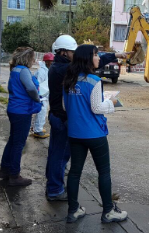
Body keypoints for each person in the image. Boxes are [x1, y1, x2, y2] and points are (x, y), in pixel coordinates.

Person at [45, 35, 130, 201]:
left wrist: (116, 55)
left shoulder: (58, 66)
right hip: (63, 119)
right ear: (63, 52)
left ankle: (53, 187)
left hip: (58, 116)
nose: (75, 55)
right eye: (72, 52)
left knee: (57, 154)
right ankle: (55, 190)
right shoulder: (64, 70)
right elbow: (85, 64)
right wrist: (111, 103)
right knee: (60, 156)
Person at [62, 44, 128, 224]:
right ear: (88, 58)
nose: (99, 58)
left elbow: (64, 107)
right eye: (96, 55)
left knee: (74, 173)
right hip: (94, 134)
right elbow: (97, 108)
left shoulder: (69, 79)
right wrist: (112, 102)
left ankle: (73, 210)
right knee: (104, 172)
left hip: (75, 134)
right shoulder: (93, 80)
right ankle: (108, 211)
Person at [0, 47, 42, 187]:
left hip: (14, 109)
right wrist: (37, 99)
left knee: (12, 141)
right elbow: (30, 88)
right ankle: (14, 175)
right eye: (32, 58)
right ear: (27, 58)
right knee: (18, 144)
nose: (34, 60)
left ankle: (5, 170)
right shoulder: (23, 71)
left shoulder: (15, 70)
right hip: (22, 111)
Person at [32, 53, 54, 139]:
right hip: (42, 96)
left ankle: (35, 127)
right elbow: (39, 85)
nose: (52, 63)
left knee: (39, 113)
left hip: (44, 95)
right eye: (51, 61)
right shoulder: (42, 71)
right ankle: (38, 130)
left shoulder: (46, 70)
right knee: (41, 113)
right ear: (47, 61)